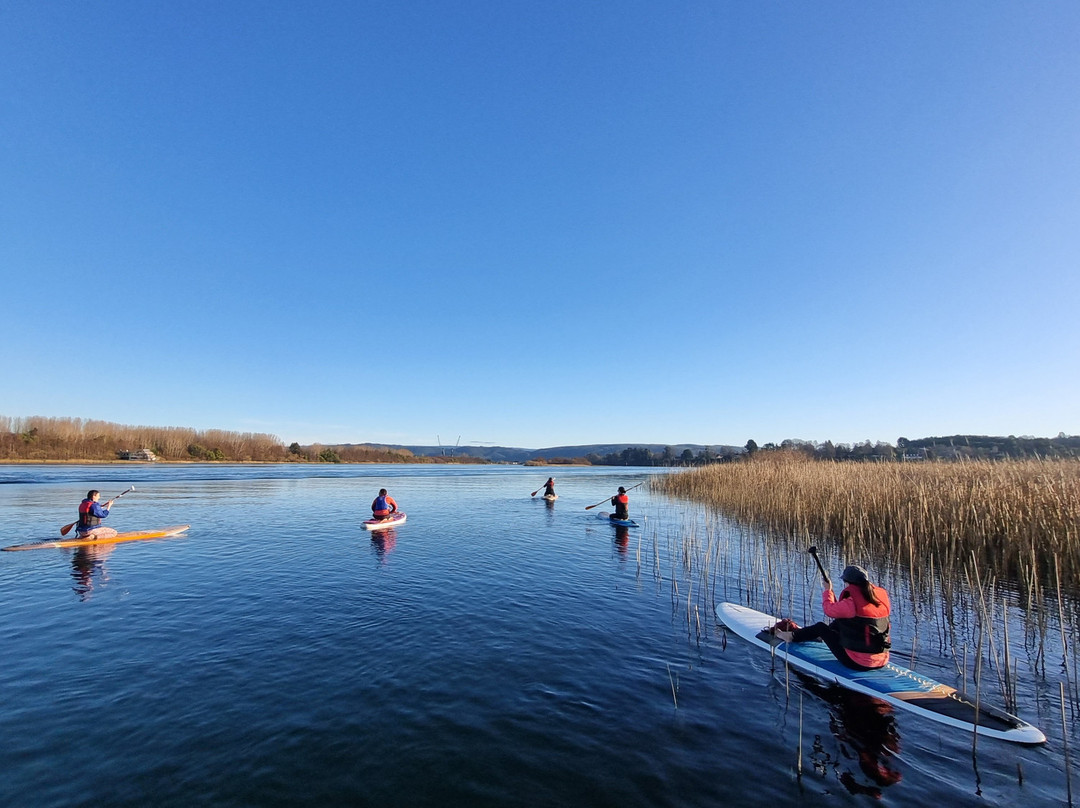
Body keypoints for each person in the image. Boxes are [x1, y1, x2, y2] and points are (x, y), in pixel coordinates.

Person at [776, 564, 891, 671]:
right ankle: (818, 637)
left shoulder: (851, 603)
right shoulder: (879, 598)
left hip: (857, 662)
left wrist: (828, 590)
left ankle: (791, 636)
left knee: (820, 627)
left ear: (848, 582)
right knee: (841, 621)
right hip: (882, 659)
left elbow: (828, 610)